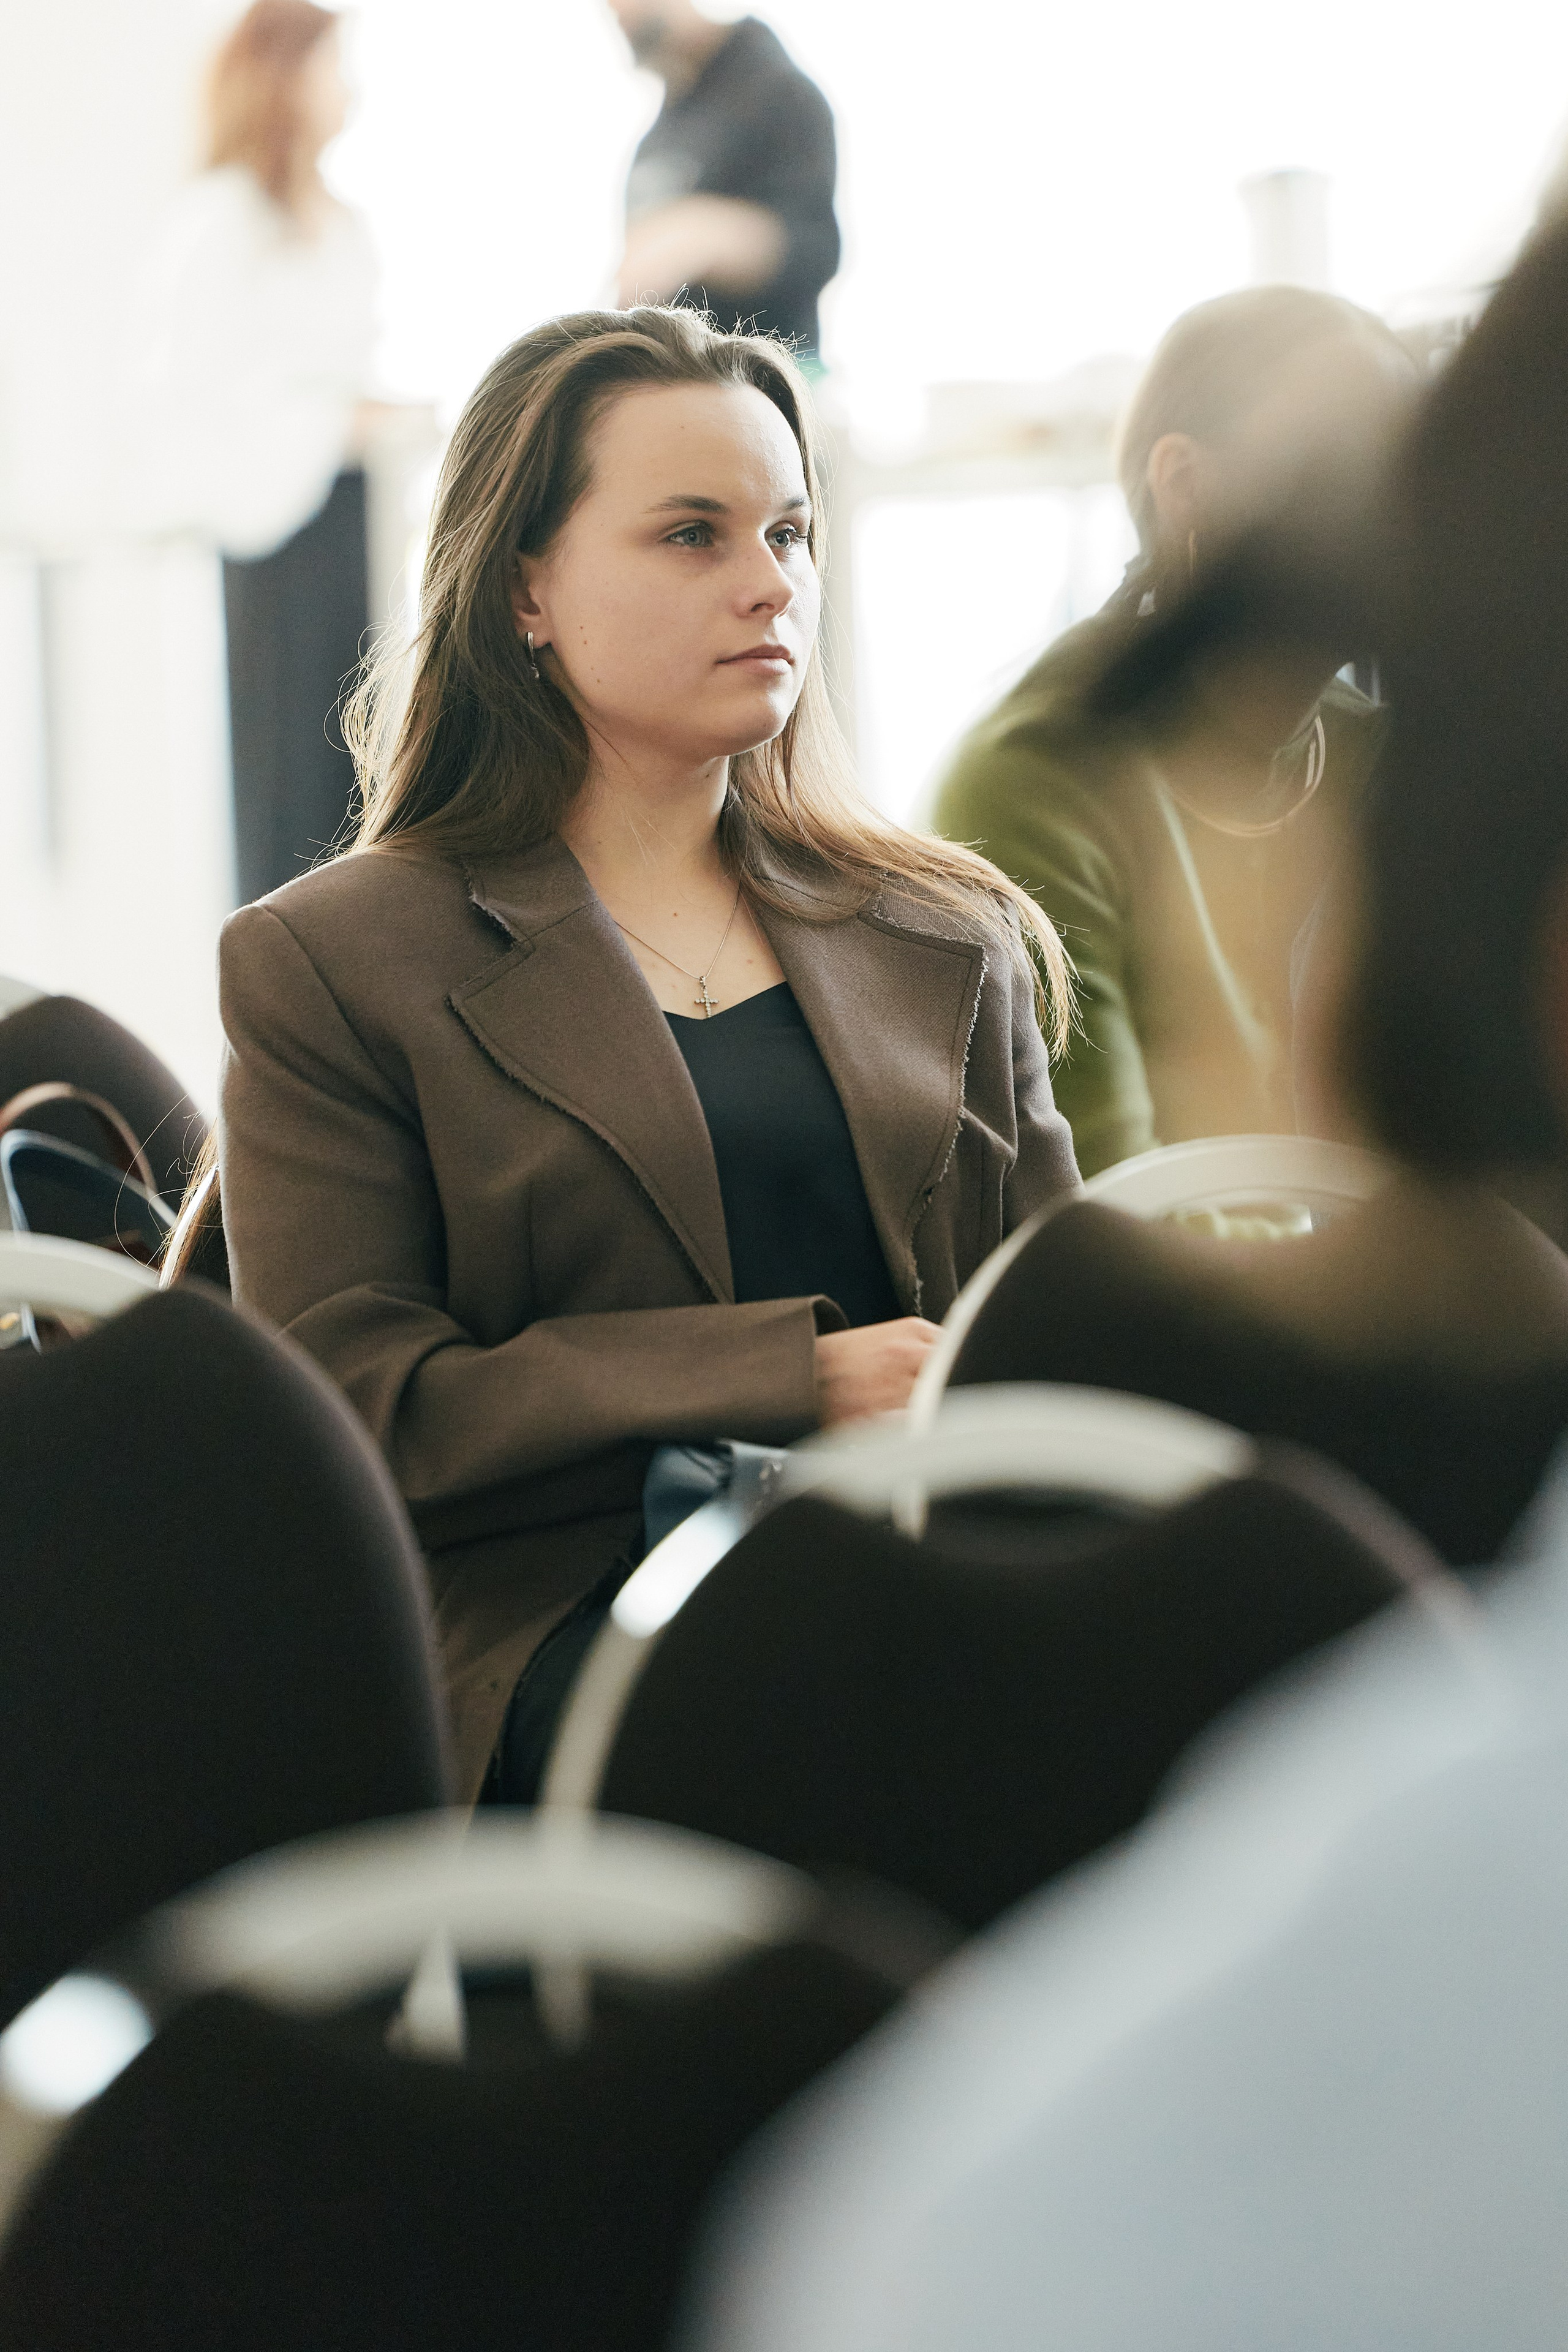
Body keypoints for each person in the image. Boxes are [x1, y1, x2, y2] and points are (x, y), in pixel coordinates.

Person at [678, 206, 1568, 2352]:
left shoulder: (1030, 2241)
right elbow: (1122, 1210)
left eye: (787, 529)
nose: (769, 582)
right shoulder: (1045, 774)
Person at [208, 304, 1078, 1802]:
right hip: (557, 1625)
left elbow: (1054, 1322)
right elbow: (353, 1411)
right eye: (691, 535)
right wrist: (791, 1379)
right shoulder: (338, 960)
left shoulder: (945, 931)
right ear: (525, 589)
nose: (769, 582)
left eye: (788, 532)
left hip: (927, 1564)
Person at [933, 287, 1417, 1176]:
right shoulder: (1038, 775)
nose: (1404, 513)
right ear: (1187, 485)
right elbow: (1113, 1202)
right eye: (1344, 465)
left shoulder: (1392, 750)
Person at [127, 1, 379, 905]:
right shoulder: (218, 222)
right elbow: (193, 397)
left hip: (350, 516)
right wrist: (326, 422)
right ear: (282, 79)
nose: (349, 89)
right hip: (270, 531)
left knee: (354, 764)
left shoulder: (341, 223)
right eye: (331, 67)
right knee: (286, 775)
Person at [609, 2, 839, 358]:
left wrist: (705, 236)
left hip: (767, 370)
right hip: (671, 370)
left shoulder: (778, 91)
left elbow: (817, 248)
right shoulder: (660, 134)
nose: (617, 12)